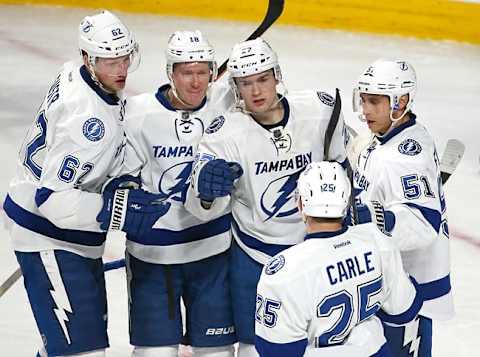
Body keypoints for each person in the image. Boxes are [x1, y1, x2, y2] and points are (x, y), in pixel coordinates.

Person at [2, 10, 168, 357]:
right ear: (87, 58)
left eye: (125, 58)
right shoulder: (86, 121)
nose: (120, 69)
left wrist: (121, 177)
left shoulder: (76, 74)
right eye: (109, 61)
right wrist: (118, 211)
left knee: (73, 346)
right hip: (48, 234)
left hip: (74, 235)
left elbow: (106, 144)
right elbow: (52, 199)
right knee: (82, 351)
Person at [185, 38, 347, 357]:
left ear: (277, 76)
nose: (256, 91)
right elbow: (199, 205)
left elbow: (343, 169)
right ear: (236, 88)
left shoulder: (319, 111)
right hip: (255, 259)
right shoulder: (223, 135)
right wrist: (204, 189)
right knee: (254, 349)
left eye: (263, 79)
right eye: (246, 83)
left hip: (313, 254)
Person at [121, 30, 236, 357]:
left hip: (213, 254)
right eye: (187, 72)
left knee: (218, 353)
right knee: (155, 353)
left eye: (203, 72)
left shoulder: (226, 104)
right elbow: (116, 175)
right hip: (153, 259)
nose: (196, 82)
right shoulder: (136, 114)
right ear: (170, 72)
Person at [254, 161, 423, 357]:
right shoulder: (378, 240)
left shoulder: (285, 272)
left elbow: (277, 351)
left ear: (300, 203)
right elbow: (404, 312)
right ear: (346, 202)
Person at [349, 59, 454, 356]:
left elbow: (423, 225)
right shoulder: (388, 136)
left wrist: (374, 217)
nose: (365, 110)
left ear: (401, 101)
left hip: (413, 288)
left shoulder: (407, 157)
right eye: (364, 99)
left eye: (375, 102)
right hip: (390, 282)